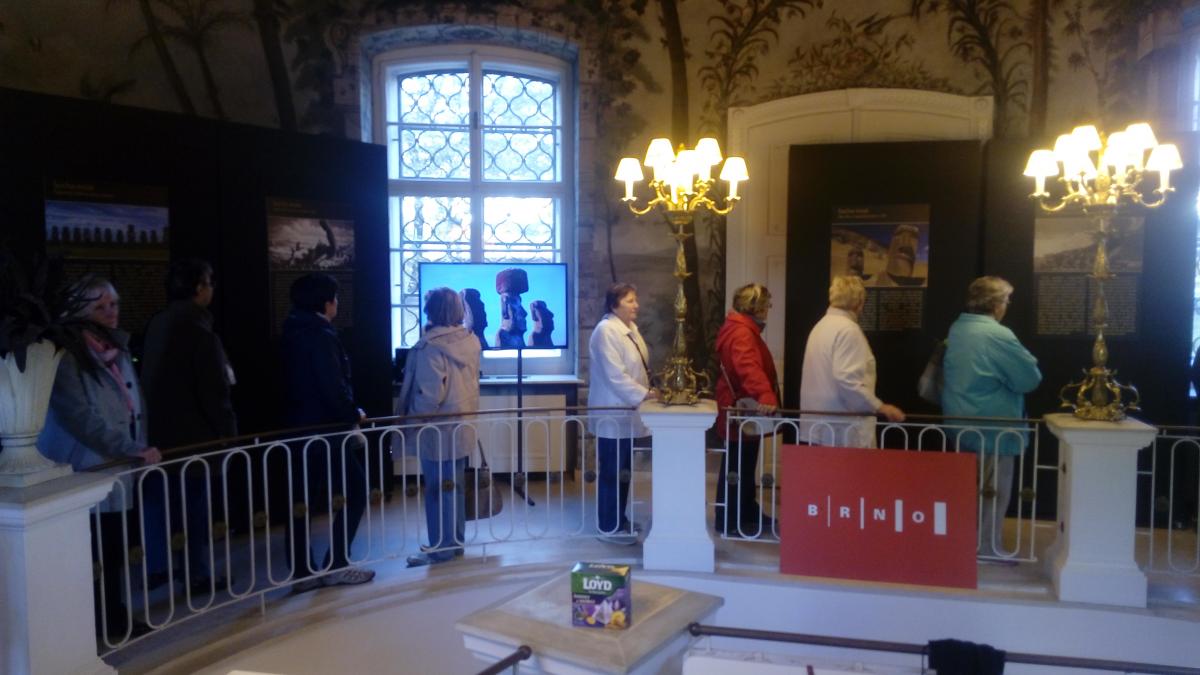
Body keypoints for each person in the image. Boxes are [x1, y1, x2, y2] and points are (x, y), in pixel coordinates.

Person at [38, 276, 161, 638]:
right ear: (80, 311)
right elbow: (80, 416)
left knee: (112, 547)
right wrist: (130, 448)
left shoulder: (115, 349)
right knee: (89, 552)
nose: (111, 312)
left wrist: (137, 447)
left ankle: (114, 616)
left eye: (114, 304)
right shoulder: (66, 355)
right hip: (86, 467)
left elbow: (134, 405)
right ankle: (92, 624)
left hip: (116, 467)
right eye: (100, 306)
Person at [140, 258, 234, 592]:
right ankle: (197, 574)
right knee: (194, 509)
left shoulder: (158, 324)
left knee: (160, 503)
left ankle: (159, 567)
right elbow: (214, 392)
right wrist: (227, 434)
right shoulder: (199, 332)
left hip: (157, 435)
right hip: (195, 438)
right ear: (198, 288)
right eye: (209, 282)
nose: (212, 289)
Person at [281, 273, 375, 589]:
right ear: (325, 301)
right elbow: (332, 385)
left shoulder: (293, 330)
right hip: (327, 431)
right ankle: (336, 564)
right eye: (335, 297)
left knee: (301, 501)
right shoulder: (320, 336)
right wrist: (352, 413)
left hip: (299, 430)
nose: (337, 302)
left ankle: (302, 573)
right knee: (356, 491)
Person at [942, 276, 1041, 558]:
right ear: (996, 304)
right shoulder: (998, 335)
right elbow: (1029, 379)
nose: (1006, 306)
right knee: (992, 493)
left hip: (961, 423)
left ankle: (966, 546)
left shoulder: (958, 328)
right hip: (994, 428)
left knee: (968, 491)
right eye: (1006, 300)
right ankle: (987, 549)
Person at [396, 287, 482, 567]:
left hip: (437, 429)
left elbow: (429, 396)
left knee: (437, 489)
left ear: (430, 310)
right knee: (453, 488)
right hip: (461, 425)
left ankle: (441, 549)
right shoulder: (470, 341)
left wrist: (411, 423)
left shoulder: (431, 346)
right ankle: (453, 543)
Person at [799, 275, 905, 447]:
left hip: (818, 426)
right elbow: (846, 379)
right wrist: (880, 407)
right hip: (842, 430)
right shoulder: (848, 330)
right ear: (859, 302)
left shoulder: (820, 326)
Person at [587, 283, 656, 545]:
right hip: (612, 412)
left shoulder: (629, 329)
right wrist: (643, 394)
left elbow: (637, 366)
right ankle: (608, 525)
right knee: (612, 471)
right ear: (614, 304)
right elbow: (615, 375)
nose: (636, 305)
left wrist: (645, 392)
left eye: (635, 300)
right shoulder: (606, 331)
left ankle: (619, 519)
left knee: (623, 470)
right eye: (630, 301)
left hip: (626, 412)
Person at [714, 283, 780, 537]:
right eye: (767, 305)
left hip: (740, 408)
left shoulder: (740, 328)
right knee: (738, 464)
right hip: (741, 410)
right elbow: (748, 367)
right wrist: (765, 394)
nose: (768, 309)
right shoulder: (743, 332)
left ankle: (745, 512)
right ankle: (731, 520)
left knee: (742, 462)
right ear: (757, 307)